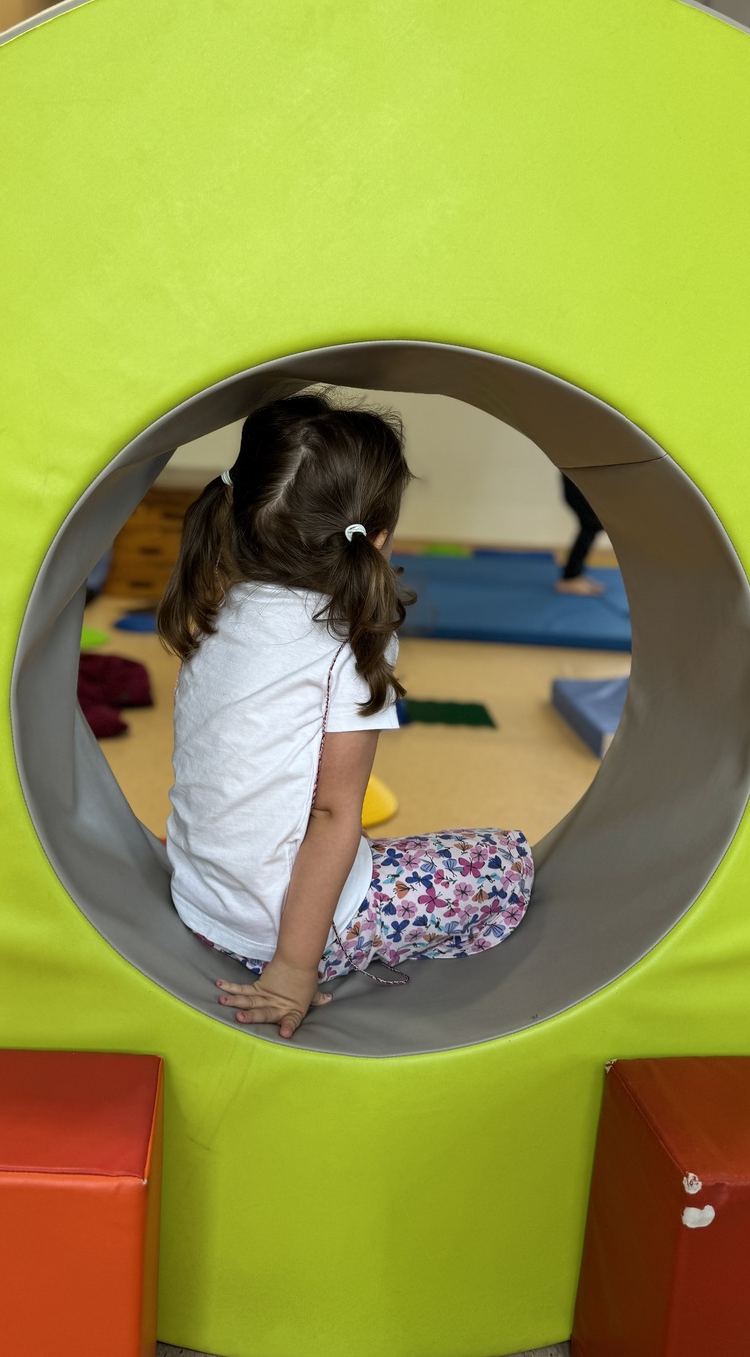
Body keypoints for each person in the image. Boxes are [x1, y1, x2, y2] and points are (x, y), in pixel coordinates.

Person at [157, 392, 533, 1038]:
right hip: (271, 930)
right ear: (376, 536)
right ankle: (340, 948)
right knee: (505, 862)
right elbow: (334, 813)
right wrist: (292, 969)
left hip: (200, 896)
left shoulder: (225, 607)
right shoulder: (347, 642)